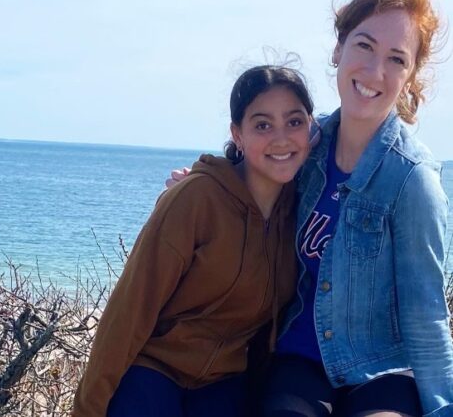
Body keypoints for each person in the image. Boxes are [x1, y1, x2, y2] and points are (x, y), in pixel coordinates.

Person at [166, 0, 453, 416]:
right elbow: (249, 172)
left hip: (381, 372)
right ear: (339, 49)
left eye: (397, 58)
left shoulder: (413, 180)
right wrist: (199, 186)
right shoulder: (307, 147)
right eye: (364, 46)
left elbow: (427, 319)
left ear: (411, 74)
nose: (375, 71)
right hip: (299, 362)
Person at [72, 64, 315, 417]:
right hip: (154, 369)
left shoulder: (302, 209)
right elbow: (128, 312)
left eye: (294, 122)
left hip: (223, 382)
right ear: (238, 135)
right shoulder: (196, 198)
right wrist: (88, 409)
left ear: (311, 127)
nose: (281, 138)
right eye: (263, 125)